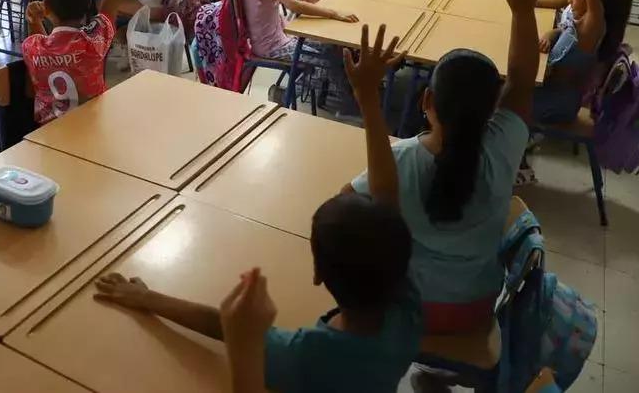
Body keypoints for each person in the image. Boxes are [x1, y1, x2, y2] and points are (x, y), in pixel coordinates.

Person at [97, 38, 421, 392]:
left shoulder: (306, 354)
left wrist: (153, 302)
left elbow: (228, 330)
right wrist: (368, 101)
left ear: (317, 272)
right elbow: (387, 197)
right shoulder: (406, 308)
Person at [346, 0, 541, 337]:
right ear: (492, 109)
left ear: (427, 100)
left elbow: (346, 208)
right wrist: (522, 10)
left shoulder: (401, 160)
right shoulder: (504, 149)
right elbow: (521, 81)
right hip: (478, 312)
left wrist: (366, 97)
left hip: (411, 315)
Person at [530, 0, 630, 137]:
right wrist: (551, 33)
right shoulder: (581, 23)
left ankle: (517, 156)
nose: (571, 0)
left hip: (557, 103)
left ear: (596, 2)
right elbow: (565, 34)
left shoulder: (593, 25)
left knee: (496, 99)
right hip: (553, 92)